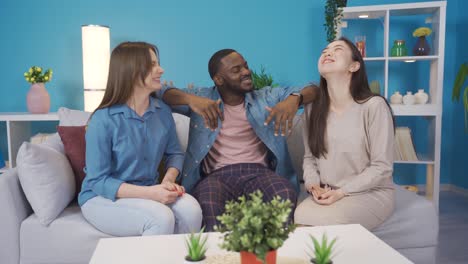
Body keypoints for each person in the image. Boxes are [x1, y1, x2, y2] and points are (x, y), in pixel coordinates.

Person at [158, 49, 318, 230]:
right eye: (236, 70)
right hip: (216, 177)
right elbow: (160, 92)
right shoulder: (202, 100)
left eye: (246, 66)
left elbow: (314, 88)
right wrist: (189, 99)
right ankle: (221, 256)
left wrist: (295, 99)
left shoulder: (266, 97)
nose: (246, 72)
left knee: (283, 192)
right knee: (207, 200)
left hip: (259, 173)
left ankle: (273, 254)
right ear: (219, 80)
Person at [78, 42, 202, 236]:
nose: (161, 70)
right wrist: (152, 193)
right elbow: (98, 180)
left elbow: (174, 152)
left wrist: (168, 181)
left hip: (149, 189)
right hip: (102, 198)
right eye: (152, 65)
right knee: (160, 217)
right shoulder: (103, 120)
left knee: (192, 210)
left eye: (158, 63)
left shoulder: (162, 112)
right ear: (132, 71)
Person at [294, 37, 395, 230]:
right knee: (300, 215)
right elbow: (310, 158)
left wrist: (342, 192)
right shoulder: (312, 109)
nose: (327, 53)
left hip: (370, 192)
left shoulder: (374, 106)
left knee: (333, 224)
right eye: (324, 51)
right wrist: (313, 185)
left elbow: (382, 167)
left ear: (354, 66)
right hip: (329, 191)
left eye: (337, 49)